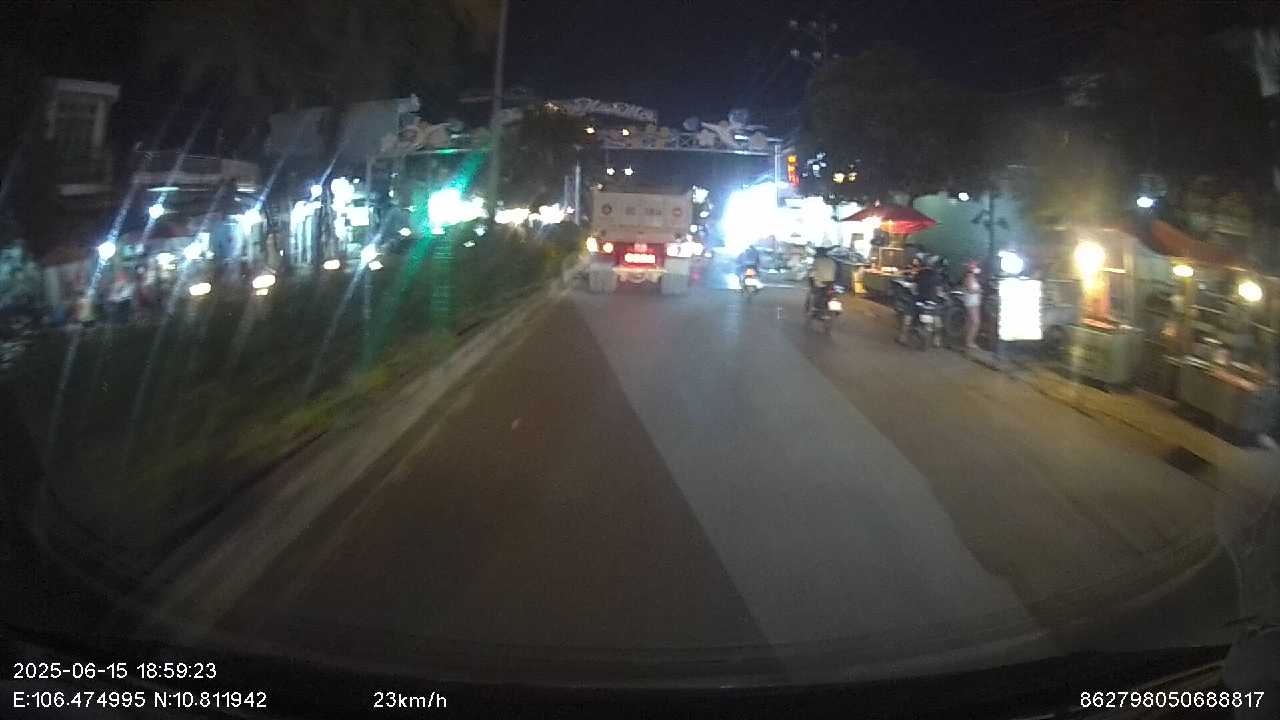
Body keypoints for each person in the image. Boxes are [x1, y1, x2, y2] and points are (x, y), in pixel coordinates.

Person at [807, 246, 838, 312]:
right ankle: (835, 307)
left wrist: (811, 282)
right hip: (831, 282)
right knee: (831, 293)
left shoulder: (816, 261)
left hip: (820, 282)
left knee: (817, 293)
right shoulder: (832, 261)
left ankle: (816, 308)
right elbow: (836, 272)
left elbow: (812, 273)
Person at [962, 261, 983, 350]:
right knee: (975, 322)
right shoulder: (969, 277)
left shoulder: (973, 277)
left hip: (974, 301)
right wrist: (979, 291)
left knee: (970, 321)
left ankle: (968, 340)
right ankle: (970, 342)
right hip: (971, 302)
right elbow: (970, 290)